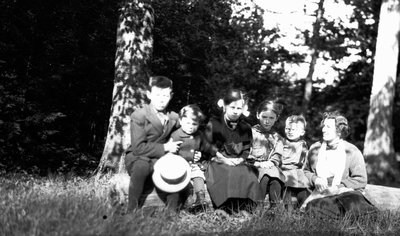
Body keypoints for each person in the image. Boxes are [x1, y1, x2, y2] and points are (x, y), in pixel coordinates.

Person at [301, 111, 377, 219]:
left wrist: (338, 187)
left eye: (328, 127)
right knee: (312, 206)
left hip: (345, 193)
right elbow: (305, 171)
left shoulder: (352, 151)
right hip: (321, 193)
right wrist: (315, 179)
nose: (323, 129)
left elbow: (360, 180)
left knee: (352, 202)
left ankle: (354, 215)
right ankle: (349, 217)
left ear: (339, 131)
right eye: (324, 126)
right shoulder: (315, 148)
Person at [125, 76, 184, 212]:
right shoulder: (139, 115)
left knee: (173, 168)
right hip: (138, 156)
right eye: (157, 95)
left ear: (171, 96)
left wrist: (192, 149)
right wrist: (165, 147)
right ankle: (131, 209)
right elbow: (138, 148)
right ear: (149, 94)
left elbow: (186, 131)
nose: (161, 99)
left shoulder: (173, 117)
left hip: (160, 158)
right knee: (142, 167)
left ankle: (171, 212)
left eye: (165, 95)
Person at [204, 89, 262, 214]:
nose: (236, 111)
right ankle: (224, 209)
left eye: (239, 108)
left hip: (238, 160)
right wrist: (225, 160)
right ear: (225, 106)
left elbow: (246, 149)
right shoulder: (214, 123)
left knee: (248, 174)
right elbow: (209, 147)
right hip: (218, 161)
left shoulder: (245, 127)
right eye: (232, 107)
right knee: (227, 173)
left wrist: (240, 159)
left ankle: (245, 209)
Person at [170, 104, 218, 212]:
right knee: (185, 180)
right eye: (188, 123)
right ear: (181, 121)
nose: (191, 126)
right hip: (180, 166)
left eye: (194, 124)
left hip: (194, 165)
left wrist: (203, 154)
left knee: (198, 175)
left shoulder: (199, 135)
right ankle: (188, 200)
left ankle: (200, 198)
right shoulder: (176, 135)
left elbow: (205, 148)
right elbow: (172, 153)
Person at [248, 100, 285, 209]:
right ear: (258, 115)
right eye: (264, 117)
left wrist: (271, 162)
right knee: (264, 176)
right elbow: (245, 151)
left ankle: (275, 207)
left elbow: (277, 154)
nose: (267, 121)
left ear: (276, 118)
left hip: (269, 166)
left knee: (276, 176)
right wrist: (256, 163)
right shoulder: (251, 133)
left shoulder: (277, 137)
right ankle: (257, 206)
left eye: (271, 118)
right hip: (253, 166)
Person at [280, 115, 310, 210]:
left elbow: (305, 160)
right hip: (285, 170)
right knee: (287, 189)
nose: (290, 131)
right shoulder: (282, 142)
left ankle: (304, 207)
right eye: (288, 129)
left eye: (294, 129)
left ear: (302, 132)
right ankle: (289, 210)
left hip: (298, 171)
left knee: (303, 188)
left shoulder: (303, 144)